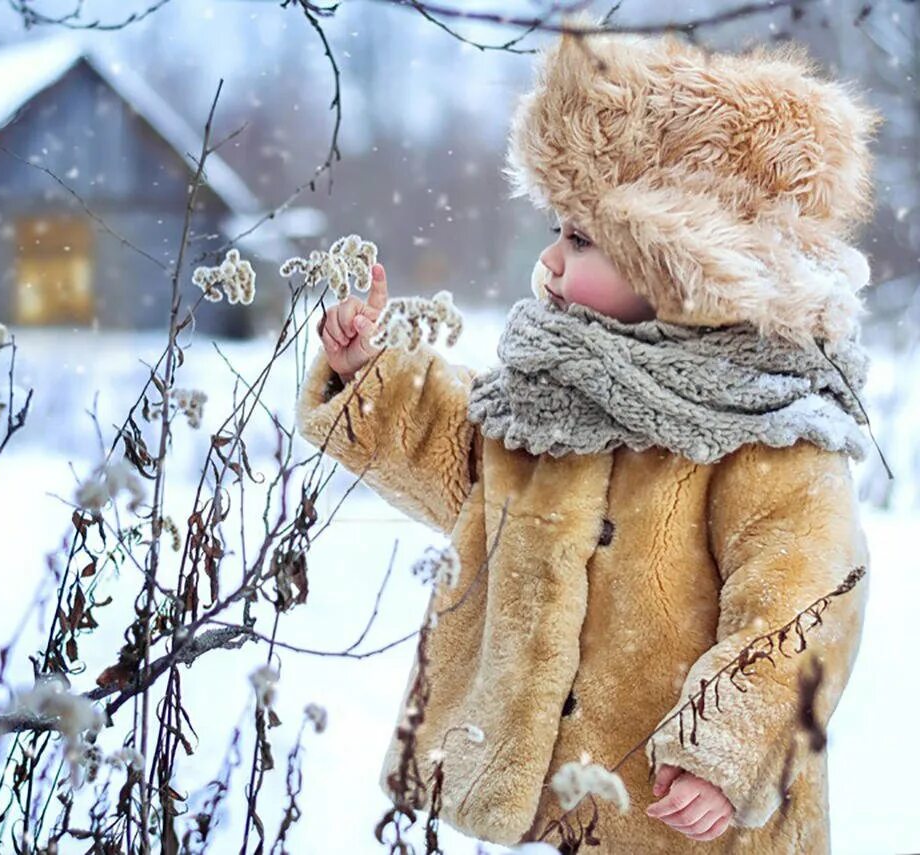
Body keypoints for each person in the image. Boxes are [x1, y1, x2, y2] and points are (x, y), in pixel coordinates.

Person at [296, 19, 880, 854]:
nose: (553, 260)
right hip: (565, 807)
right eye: (555, 230)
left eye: (581, 238)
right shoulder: (560, 384)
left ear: (676, 259)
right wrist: (371, 376)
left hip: (694, 819)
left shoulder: (769, 428)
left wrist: (726, 748)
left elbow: (803, 604)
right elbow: (473, 464)